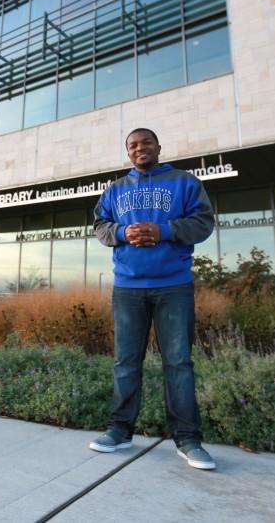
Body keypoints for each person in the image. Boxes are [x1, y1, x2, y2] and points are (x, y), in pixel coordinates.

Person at [89, 127, 217, 470]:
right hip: (128, 287)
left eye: (146, 142)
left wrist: (164, 231)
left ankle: (188, 440)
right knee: (125, 361)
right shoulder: (115, 189)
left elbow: (204, 222)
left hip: (174, 285)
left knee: (178, 362)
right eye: (132, 145)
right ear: (127, 152)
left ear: (158, 146)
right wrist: (120, 232)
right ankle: (120, 431)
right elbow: (100, 226)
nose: (139, 148)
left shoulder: (184, 181)